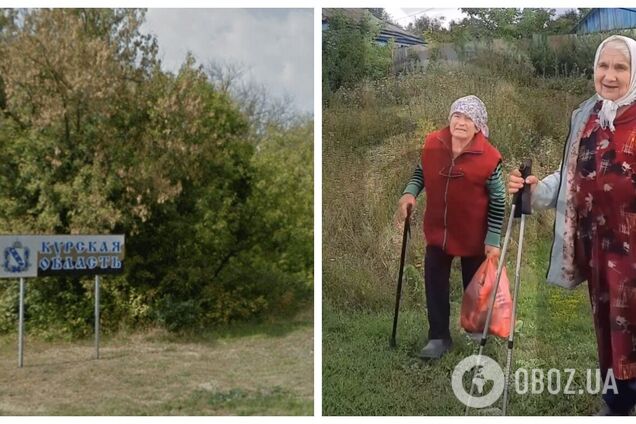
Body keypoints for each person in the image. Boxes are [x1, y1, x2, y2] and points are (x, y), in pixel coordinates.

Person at [508, 35, 636, 416]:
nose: (609, 76)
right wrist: (531, 193)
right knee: (609, 330)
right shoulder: (588, 117)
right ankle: (618, 402)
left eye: (620, 67)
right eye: (603, 66)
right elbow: (571, 179)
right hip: (599, 249)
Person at [398, 95, 506, 359]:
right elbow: (421, 173)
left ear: (479, 126)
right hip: (438, 232)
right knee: (435, 284)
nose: (460, 122)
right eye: (456, 115)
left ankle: (475, 335)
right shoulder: (433, 143)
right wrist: (409, 194)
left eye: (468, 118)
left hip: (473, 235)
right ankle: (438, 337)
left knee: (475, 287)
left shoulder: (490, 158)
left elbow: (499, 199)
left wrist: (492, 239)